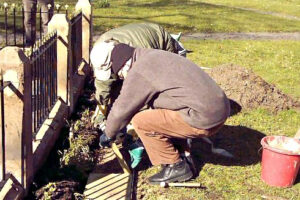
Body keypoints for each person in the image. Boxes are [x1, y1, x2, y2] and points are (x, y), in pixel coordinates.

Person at [92, 42, 230, 184]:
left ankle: (176, 166)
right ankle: (184, 154)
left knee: (142, 122)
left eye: (117, 73)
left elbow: (122, 108)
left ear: (121, 64)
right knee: (160, 115)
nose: (120, 76)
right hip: (219, 109)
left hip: (204, 117)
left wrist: (108, 134)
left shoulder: (140, 70)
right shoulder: (150, 55)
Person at [92, 23, 186, 109]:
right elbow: (102, 83)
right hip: (132, 36)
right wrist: (101, 106)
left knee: (167, 80)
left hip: (160, 38)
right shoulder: (99, 49)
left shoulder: (140, 54)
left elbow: (142, 88)